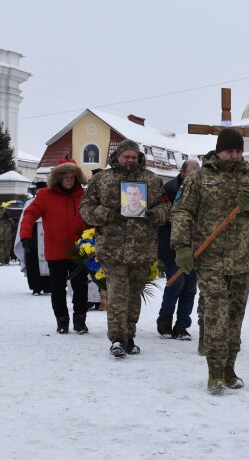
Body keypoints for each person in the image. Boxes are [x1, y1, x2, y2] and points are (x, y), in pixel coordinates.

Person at [171, 128, 249, 391]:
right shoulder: (198, 178)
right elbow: (182, 212)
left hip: (242, 259)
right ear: (219, 151)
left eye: (239, 151)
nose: (235, 156)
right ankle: (214, 371)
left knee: (235, 315)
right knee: (216, 311)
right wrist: (182, 246)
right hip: (209, 258)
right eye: (230, 151)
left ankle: (230, 369)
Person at [79, 139, 171, 357]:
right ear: (117, 157)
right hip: (112, 249)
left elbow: (166, 206)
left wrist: (154, 214)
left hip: (142, 249)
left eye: (134, 156)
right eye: (126, 156)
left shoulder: (152, 180)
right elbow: (85, 208)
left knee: (133, 296)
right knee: (118, 295)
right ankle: (117, 339)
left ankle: (130, 337)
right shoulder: (102, 180)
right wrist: (108, 214)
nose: (130, 160)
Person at [20, 160, 90, 334]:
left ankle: (80, 319)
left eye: (72, 176)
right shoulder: (45, 195)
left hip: (79, 251)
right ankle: (62, 320)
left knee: (81, 287)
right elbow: (30, 214)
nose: (69, 180)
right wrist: (26, 235)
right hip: (55, 250)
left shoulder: (85, 196)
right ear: (58, 178)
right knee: (58, 289)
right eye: (65, 176)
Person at [156, 159, 200, 340]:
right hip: (172, 247)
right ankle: (164, 321)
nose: (194, 178)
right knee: (176, 283)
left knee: (190, 287)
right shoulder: (168, 189)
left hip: (195, 247)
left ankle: (182, 325)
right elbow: (162, 217)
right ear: (182, 173)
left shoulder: (201, 191)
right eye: (191, 174)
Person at [14, 181, 52, 295]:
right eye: (39, 191)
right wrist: (26, 238)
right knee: (33, 263)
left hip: (48, 237)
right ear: (36, 192)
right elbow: (24, 222)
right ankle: (36, 287)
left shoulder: (51, 202)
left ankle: (49, 286)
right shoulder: (29, 203)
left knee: (51, 262)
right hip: (33, 238)